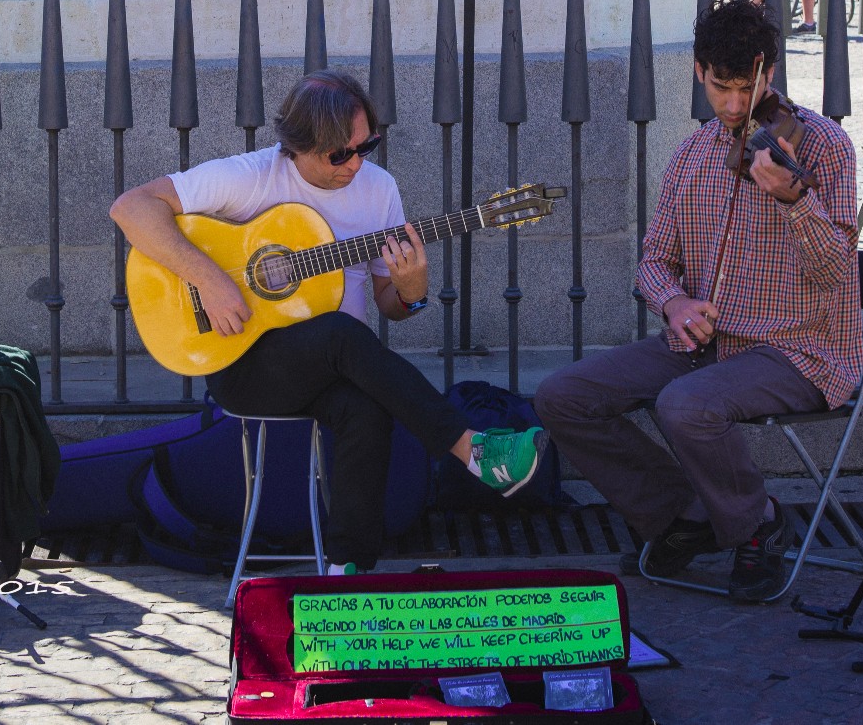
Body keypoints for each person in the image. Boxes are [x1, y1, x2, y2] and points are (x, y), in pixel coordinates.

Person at [109, 71, 547, 575]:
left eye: (367, 147)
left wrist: (413, 290)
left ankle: (348, 569)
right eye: (339, 154)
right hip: (243, 365)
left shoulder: (378, 190)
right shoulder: (248, 176)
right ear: (296, 147)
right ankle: (472, 449)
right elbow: (131, 208)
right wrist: (210, 279)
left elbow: (390, 306)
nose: (355, 163)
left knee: (366, 403)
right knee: (340, 334)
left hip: (329, 367)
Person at [534, 0, 860, 601]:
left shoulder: (824, 147)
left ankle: (758, 523)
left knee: (684, 404)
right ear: (698, 73)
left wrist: (796, 202)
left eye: (748, 87)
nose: (735, 107)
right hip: (706, 345)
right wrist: (676, 304)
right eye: (721, 88)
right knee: (563, 397)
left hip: (799, 348)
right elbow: (655, 260)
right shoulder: (691, 155)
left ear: (771, 74)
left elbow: (838, 271)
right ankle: (688, 513)